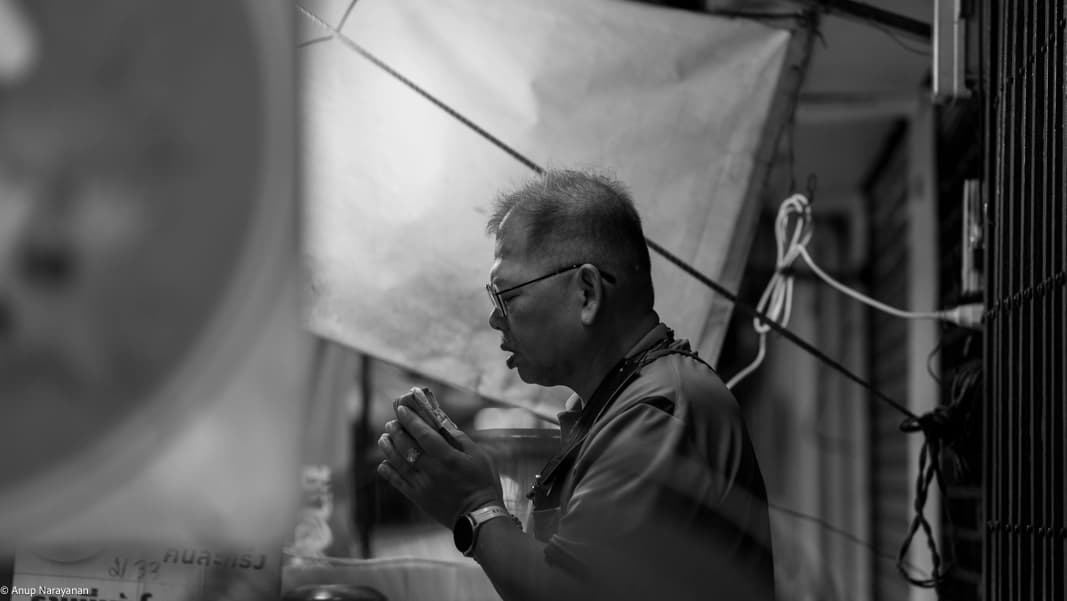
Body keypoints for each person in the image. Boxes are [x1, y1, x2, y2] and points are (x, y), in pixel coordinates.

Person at [378, 169, 776, 601]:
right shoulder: (620, 406)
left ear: (586, 292)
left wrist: (474, 507)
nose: (495, 319)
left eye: (506, 297)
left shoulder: (657, 413)